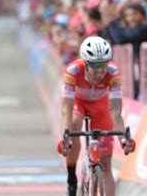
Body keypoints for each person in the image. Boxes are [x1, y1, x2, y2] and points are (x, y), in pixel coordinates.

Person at [57, 36, 134, 196]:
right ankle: (72, 179)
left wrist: (123, 139)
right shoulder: (72, 71)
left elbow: (115, 111)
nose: (100, 70)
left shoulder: (113, 73)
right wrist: (66, 138)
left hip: (101, 106)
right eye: (95, 65)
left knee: (105, 162)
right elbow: (66, 110)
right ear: (85, 63)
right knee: (75, 123)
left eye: (103, 64)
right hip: (78, 103)